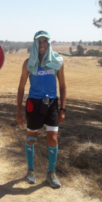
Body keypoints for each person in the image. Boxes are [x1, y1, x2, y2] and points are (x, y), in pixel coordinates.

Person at [16, 30, 66, 188]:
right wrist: (18, 111)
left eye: (45, 41)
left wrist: (62, 109)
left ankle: (51, 174)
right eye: (39, 42)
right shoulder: (28, 63)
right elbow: (21, 87)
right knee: (31, 138)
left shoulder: (57, 61)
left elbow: (63, 86)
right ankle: (30, 171)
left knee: (52, 138)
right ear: (35, 44)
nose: (42, 44)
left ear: (49, 43)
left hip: (51, 103)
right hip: (33, 104)